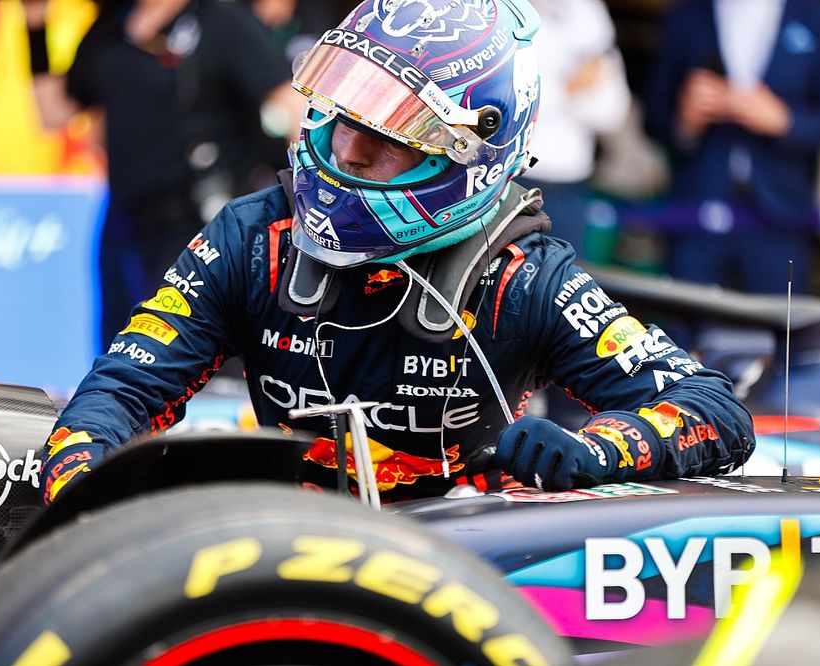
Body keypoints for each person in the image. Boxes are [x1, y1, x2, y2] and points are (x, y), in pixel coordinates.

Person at [40, 0, 756, 505]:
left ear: (468, 155)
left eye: (383, 135)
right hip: (285, 562)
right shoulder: (254, 235)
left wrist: (598, 449)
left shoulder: (525, 277)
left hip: (463, 581)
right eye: (344, 115)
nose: (344, 148)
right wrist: (83, 490)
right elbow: (117, 393)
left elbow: (713, 410)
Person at [25, 0, 304, 351]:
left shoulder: (220, 20)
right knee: (120, 352)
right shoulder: (110, 28)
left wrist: (301, 199)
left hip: (198, 225)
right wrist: (34, 21)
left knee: (183, 353)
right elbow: (52, 113)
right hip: (125, 224)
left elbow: (291, 110)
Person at [644, 0, 820, 294]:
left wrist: (784, 120)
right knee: (680, 336)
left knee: (780, 331)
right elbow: (653, 117)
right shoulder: (685, 15)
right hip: (696, 214)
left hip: (781, 218)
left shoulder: (816, 15)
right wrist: (684, 120)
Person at [515, 0, 632, 259]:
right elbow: (509, 106)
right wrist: (572, 87)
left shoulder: (586, 10)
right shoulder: (502, 11)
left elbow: (613, 111)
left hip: (571, 189)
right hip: (514, 184)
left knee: (563, 288)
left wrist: (559, 92)